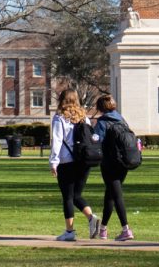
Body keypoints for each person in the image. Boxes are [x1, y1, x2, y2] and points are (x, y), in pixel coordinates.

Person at [48, 88, 99, 242]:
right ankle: (91, 217)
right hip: (83, 161)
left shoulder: (60, 117)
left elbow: (57, 140)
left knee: (68, 197)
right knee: (76, 195)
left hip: (66, 161)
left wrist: (53, 162)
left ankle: (69, 231)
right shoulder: (85, 117)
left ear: (62, 99)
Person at [93, 94, 133, 242]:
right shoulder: (121, 119)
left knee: (116, 195)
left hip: (109, 163)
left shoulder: (102, 122)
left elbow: (96, 140)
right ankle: (103, 229)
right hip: (123, 162)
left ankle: (126, 229)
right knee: (110, 194)